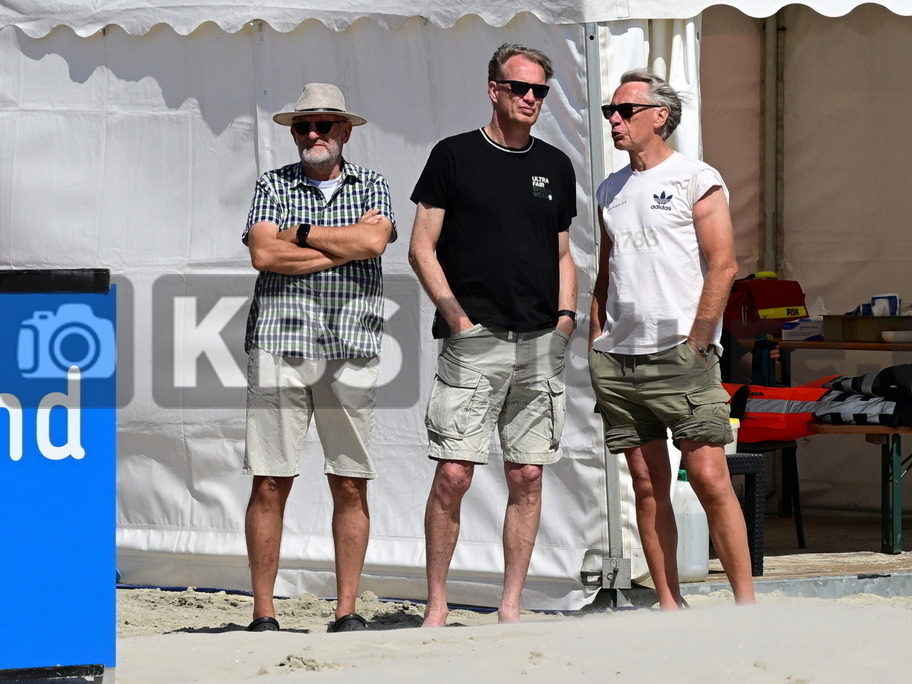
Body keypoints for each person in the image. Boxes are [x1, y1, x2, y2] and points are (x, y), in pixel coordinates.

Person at [408, 44, 578, 627]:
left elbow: (563, 254)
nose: (529, 99)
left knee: (527, 474)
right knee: (454, 473)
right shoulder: (453, 156)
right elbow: (420, 246)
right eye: (519, 88)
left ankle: (510, 607)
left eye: (539, 92)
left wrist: (566, 319)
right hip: (474, 339)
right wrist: (456, 317)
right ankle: (436, 605)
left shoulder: (555, 164)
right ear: (493, 89)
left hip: (539, 341)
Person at [589, 69, 755, 609]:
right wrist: (596, 339)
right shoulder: (609, 189)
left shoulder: (695, 177)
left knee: (709, 476)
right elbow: (605, 270)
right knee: (645, 484)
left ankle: (746, 605)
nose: (614, 120)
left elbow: (724, 265)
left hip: (681, 355)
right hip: (619, 359)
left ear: (659, 115)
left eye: (625, 110)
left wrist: (699, 342)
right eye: (610, 111)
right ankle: (668, 603)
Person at [241, 83, 396, 633]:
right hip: (278, 346)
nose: (313, 134)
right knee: (269, 479)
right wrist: (337, 248)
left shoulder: (373, 183)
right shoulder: (272, 183)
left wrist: (302, 237)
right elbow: (263, 252)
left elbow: (374, 245)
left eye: (324, 125)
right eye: (303, 126)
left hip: (350, 348)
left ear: (345, 131)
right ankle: (264, 612)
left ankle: (346, 610)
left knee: (349, 480)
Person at [727, 334, 912, 443]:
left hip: (734, 395)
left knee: (827, 383)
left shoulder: (703, 326)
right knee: (816, 403)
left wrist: (766, 359)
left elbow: (747, 366)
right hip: (723, 413)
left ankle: (905, 385)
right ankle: (909, 407)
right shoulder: (692, 329)